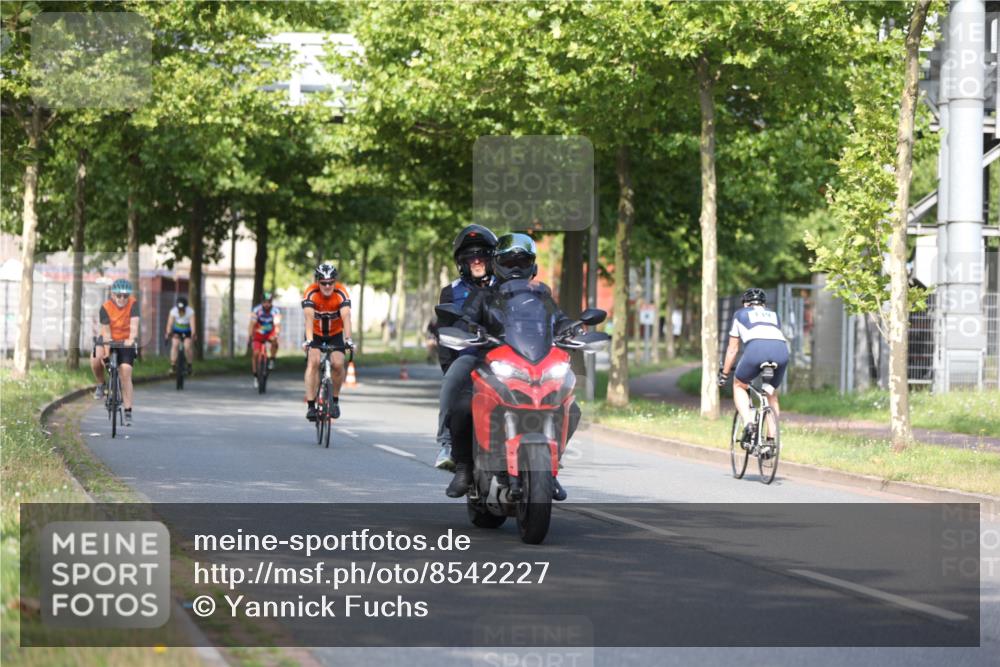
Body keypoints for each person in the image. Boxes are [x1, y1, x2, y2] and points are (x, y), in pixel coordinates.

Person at [446, 232, 578, 501]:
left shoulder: (542, 295)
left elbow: (560, 320)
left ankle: (550, 469)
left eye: (522, 261)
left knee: (572, 409)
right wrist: (470, 328)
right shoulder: (483, 295)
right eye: (509, 262)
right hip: (493, 363)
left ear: (532, 265)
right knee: (461, 407)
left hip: (534, 363)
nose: (516, 268)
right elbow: (464, 320)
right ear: (498, 264)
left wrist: (572, 329)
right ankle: (464, 468)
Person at [434, 224, 498, 472]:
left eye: (482, 254)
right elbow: (445, 332)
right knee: (451, 380)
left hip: (505, 355)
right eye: (471, 257)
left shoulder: (504, 286)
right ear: (462, 262)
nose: (477, 260)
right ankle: (446, 444)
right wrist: (449, 366)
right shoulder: (451, 291)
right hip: (470, 355)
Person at [717, 288, 790, 446]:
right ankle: (771, 441)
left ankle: (749, 423)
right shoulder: (774, 315)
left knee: (739, 385)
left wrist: (724, 374)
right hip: (781, 352)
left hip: (756, 350)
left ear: (746, 303)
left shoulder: (740, 314)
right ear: (763, 304)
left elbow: (732, 349)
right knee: (771, 394)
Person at [302, 263, 353, 421]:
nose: (327, 286)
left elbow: (346, 317)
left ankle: (335, 401)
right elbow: (309, 318)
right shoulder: (311, 293)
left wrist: (348, 339)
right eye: (323, 283)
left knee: (338, 364)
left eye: (331, 282)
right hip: (315, 334)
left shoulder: (341, 292)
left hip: (335, 333)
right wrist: (309, 341)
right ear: (317, 282)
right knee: (314, 361)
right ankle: (311, 406)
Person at [93, 279, 140, 426]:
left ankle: (128, 411)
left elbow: (134, 326)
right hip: (108, 338)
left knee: (125, 371)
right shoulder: (105, 307)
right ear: (113, 294)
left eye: (125, 296)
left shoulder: (133, 304)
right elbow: (106, 333)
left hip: (125, 340)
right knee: (97, 357)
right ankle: (101, 384)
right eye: (119, 295)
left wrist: (131, 339)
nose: (122, 299)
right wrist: (107, 353)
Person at [249, 290, 282, 385]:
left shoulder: (276, 310)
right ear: (262, 302)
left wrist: (277, 333)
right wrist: (250, 335)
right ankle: (255, 375)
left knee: (275, 340)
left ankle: (272, 359)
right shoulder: (256, 310)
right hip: (258, 332)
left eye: (269, 302)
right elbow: (251, 324)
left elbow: (277, 325)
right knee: (255, 353)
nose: (267, 304)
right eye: (265, 302)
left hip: (270, 331)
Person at [164, 296, 196, 376]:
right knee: (175, 345)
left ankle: (189, 366)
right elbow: (170, 324)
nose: (181, 310)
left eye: (183, 309)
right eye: (179, 309)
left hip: (187, 331)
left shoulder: (190, 312)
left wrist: (193, 334)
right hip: (177, 331)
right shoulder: (173, 311)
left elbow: (192, 325)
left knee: (187, 346)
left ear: (186, 307)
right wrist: (168, 333)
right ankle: (173, 366)